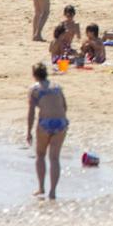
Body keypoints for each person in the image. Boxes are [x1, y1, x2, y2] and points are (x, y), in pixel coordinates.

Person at [26, 62, 68, 200]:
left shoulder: (34, 89)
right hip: (61, 122)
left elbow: (31, 112)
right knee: (54, 158)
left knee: (40, 155)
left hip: (45, 123)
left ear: (34, 75)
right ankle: (53, 192)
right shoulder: (57, 87)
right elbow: (64, 106)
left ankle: (41, 187)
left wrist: (29, 131)